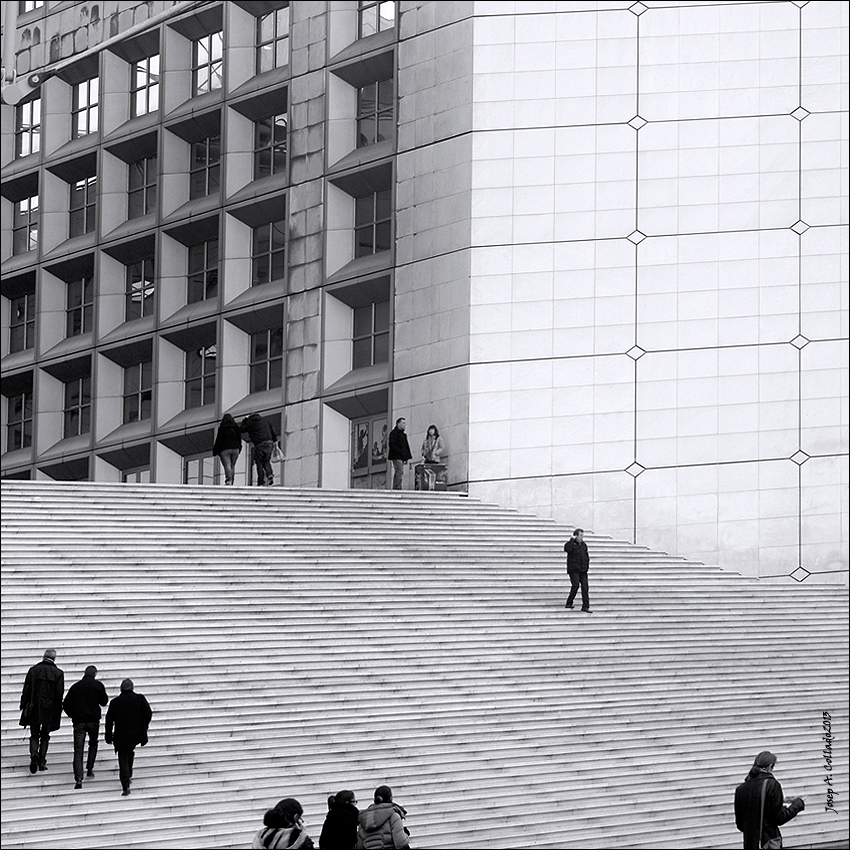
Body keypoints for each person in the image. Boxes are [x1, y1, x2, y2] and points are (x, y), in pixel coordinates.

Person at [734, 750, 805, 849]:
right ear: (770, 766)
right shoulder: (772, 785)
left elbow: (740, 825)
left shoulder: (740, 789)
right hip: (768, 843)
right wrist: (798, 804)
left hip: (750, 844)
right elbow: (780, 818)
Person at [62, 664, 108, 789]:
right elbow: (104, 702)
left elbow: (65, 704)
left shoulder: (76, 687)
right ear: (95, 674)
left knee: (78, 750)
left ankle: (78, 779)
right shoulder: (98, 685)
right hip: (93, 721)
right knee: (93, 743)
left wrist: (73, 715)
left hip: (79, 722)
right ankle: (89, 768)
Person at [19, 648, 64, 774]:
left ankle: (34, 754)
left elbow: (26, 689)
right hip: (49, 709)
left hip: (34, 707)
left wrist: (23, 704)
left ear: (43, 656)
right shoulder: (58, 673)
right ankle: (42, 761)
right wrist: (58, 709)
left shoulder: (33, 670)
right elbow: (59, 694)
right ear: (54, 659)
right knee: (45, 735)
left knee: (34, 734)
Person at [104, 678, 152, 796]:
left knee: (123, 757)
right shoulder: (139, 699)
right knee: (130, 752)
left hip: (121, 735)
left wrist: (108, 736)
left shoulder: (115, 702)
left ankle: (125, 785)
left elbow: (109, 720)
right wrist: (143, 727)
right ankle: (129, 774)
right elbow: (148, 714)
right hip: (135, 734)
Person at [356, 785, 410, 850]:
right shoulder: (393, 816)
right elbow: (400, 844)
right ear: (390, 798)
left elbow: (360, 845)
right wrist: (406, 834)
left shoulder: (364, 817)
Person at [240, 412, 278, 487]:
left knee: (259, 462)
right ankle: (269, 474)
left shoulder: (250, 422)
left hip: (259, 444)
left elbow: (241, 429)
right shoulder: (265, 420)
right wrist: (275, 440)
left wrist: (245, 419)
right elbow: (273, 430)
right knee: (266, 461)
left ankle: (261, 481)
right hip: (269, 443)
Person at [564, 528, 591, 613]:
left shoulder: (583, 545)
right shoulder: (571, 544)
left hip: (583, 570)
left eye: (582, 536)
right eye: (580, 535)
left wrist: (587, 565)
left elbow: (586, 556)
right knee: (575, 585)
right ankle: (569, 602)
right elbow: (567, 549)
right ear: (576, 536)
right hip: (574, 569)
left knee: (585, 587)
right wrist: (572, 540)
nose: (582, 538)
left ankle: (585, 606)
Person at [213, 413, 243, 485]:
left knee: (227, 465)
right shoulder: (236, 427)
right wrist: (239, 447)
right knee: (232, 466)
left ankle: (228, 480)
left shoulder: (222, 427)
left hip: (225, 449)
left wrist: (215, 449)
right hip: (235, 449)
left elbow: (219, 439)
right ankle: (231, 481)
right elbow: (239, 439)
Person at [387, 418, 412, 490]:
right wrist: (400, 453)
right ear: (398, 424)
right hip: (396, 456)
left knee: (399, 471)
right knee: (399, 471)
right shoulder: (394, 433)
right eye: (403, 423)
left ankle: (396, 486)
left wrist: (406, 456)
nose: (404, 425)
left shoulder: (403, 435)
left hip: (401, 456)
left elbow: (406, 446)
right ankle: (397, 487)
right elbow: (392, 445)